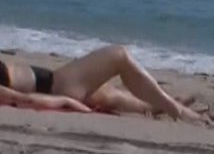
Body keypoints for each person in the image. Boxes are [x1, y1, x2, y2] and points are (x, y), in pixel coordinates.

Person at [0, 44, 203, 121]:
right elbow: (22, 99)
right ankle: (177, 110)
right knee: (118, 55)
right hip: (59, 86)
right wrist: (66, 103)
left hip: (56, 84)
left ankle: (157, 106)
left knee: (109, 93)